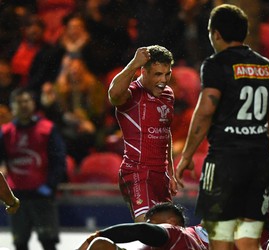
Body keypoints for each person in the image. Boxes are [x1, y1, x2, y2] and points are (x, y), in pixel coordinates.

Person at [175, 4, 269, 250]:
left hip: (224, 163)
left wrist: (187, 155)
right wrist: (258, 148)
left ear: (215, 34)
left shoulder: (216, 64)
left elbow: (204, 113)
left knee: (221, 239)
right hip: (258, 165)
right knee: (249, 240)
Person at [108, 45, 178, 222]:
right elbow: (113, 95)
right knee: (150, 230)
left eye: (167, 74)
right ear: (143, 72)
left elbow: (165, 131)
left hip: (160, 175)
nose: (163, 80)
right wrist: (133, 64)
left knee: (168, 236)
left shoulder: (168, 94)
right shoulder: (131, 94)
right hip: (137, 172)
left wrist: (170, 171)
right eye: (157, 74)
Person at [0, 87, 66, 250]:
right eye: (19, 102)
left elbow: (59, 161)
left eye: (26, 101)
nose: (23, 105)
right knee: (20, 244)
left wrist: (49, 187)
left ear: (33, 104)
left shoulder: (48, 129)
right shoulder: (5, 132)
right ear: (12, 106)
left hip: (42, 197)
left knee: (48, 242)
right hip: (16, 199)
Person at [76, 202, 208, 250]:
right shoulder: (200, 238)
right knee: (101, 245)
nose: (149, 224)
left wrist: (96, 236)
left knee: (99, 242)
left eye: (152, 222)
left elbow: (141, 230)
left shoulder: (176, 232)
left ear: (171, 221)